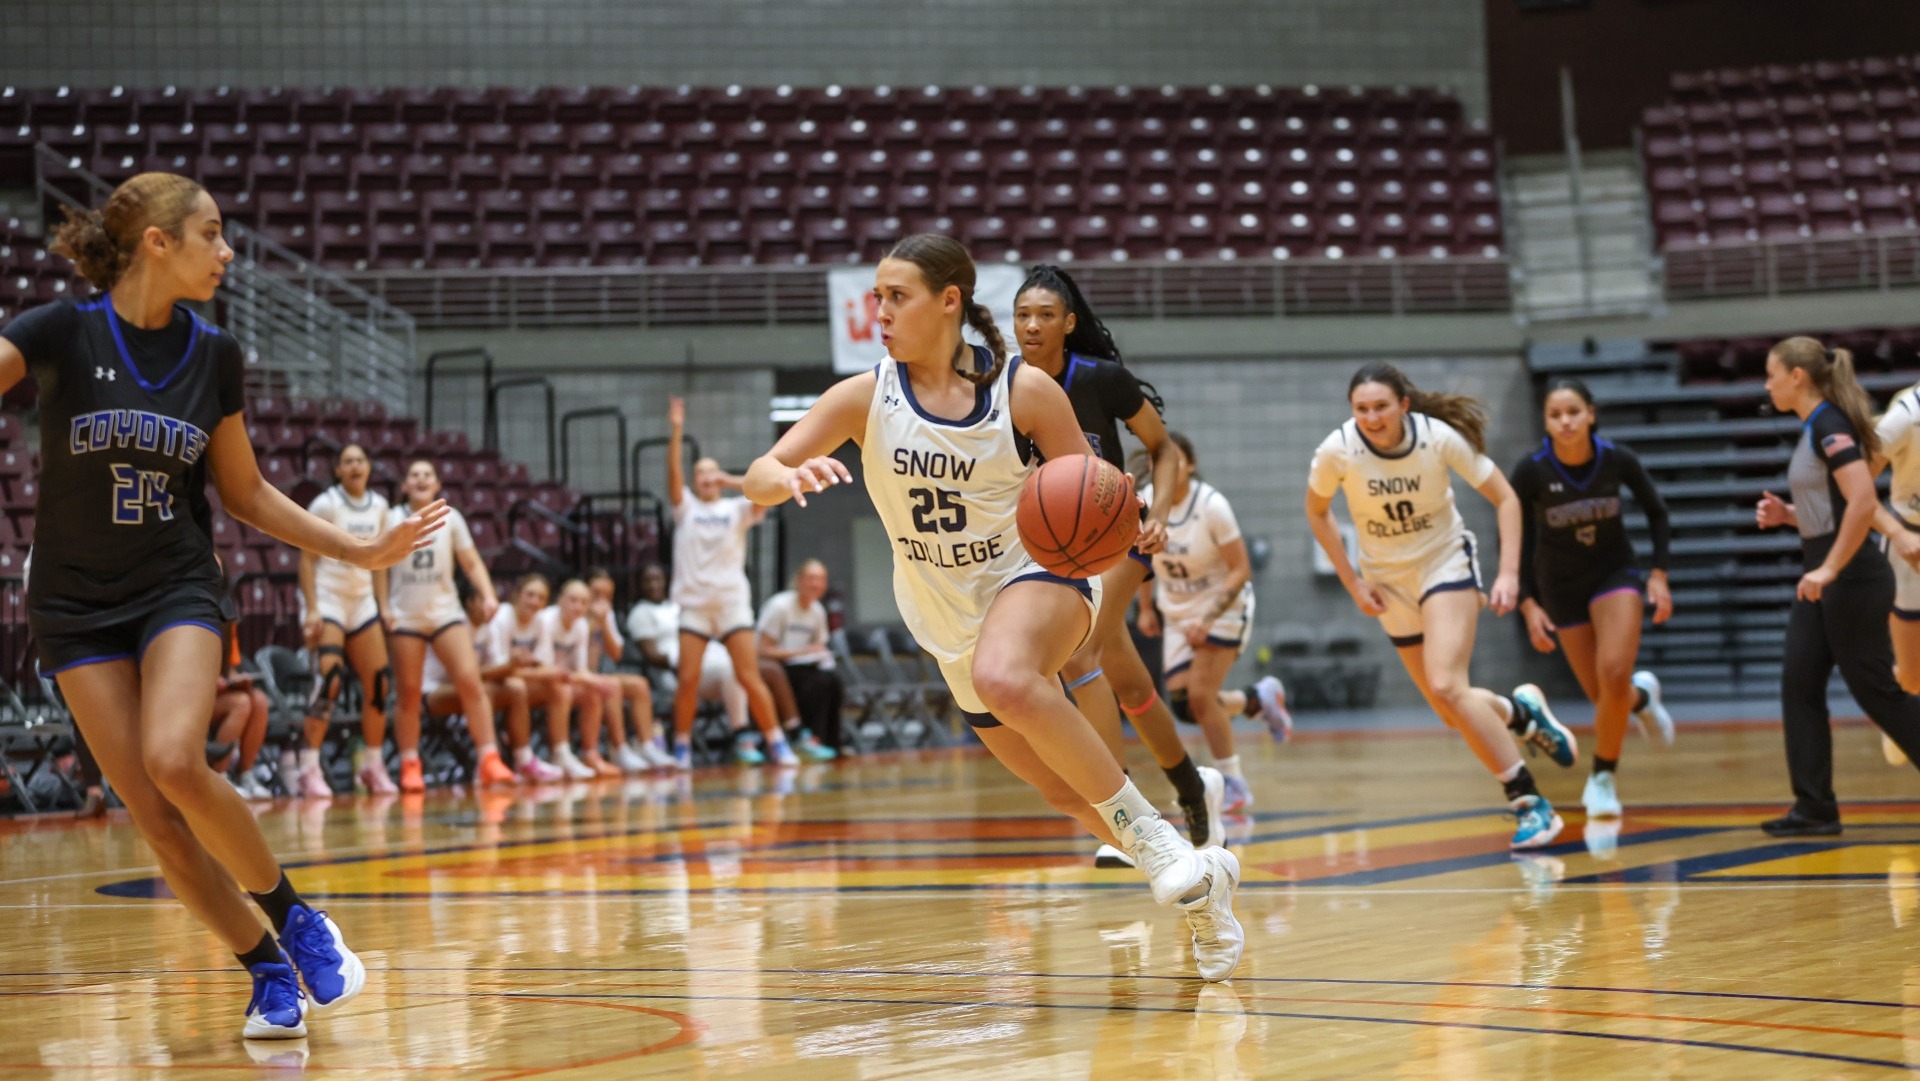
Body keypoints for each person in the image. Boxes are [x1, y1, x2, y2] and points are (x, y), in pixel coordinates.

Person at [0, 171, 446, 1038]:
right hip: (71, 602)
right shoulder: (59, 331)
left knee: (174, 758)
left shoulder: (215, 353)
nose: (228, 251)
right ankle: (263, 966)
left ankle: (296, 917)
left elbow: (242, 493)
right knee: (157, 820)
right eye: (211, 234)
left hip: (175, 584)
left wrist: (358, 547)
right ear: (157, 243)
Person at [741, 234, 1241, 981]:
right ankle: (1206, 883)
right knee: (1059, 787)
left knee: (1007, 673)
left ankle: (1165, 847)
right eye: (876, 296)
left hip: (1040, 573)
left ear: (950, 302)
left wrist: (1122, 515)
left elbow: (1090, 486)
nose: (879, 311)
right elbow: (759, 471)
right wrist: (782, 477)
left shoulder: (1024, 392)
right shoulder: (862, 396)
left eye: (896, 296)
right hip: (944, 614)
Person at [1012, 264, 1287, 859]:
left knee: (1077, 656)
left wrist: (1157, 513)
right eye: (1022, 315)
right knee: (1132, 687)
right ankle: (1196, 786)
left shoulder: (1101, 379)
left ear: (1069, 323)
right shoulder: (1005, 389)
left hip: (1119, 529)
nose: (1031, 326)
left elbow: (1161, 449)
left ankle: (1126, 817)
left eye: (1045, 315)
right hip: (1055, 545)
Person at [1305, 363, 1577, 850]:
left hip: (1443, 564)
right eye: (1361, 409)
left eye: (1381, 406)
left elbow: (1507, 498)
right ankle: (1521, 713)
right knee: (1453, 709)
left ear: (1404, 404)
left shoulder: (1438, 438)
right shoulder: (1337, 451)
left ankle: (1530, 803)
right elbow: (1316, 511)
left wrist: (1510, 573)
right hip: (1388, 582)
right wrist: (1352, 581)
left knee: (1447, 684)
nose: (1371, 417)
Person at [1752, 336, 1920, 836]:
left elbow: (1864, 500)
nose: (1767, 384)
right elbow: (1832, 508)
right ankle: (1815, 808)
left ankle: (1815, 805)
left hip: (1850, 577)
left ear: (1797, 377)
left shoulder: (1829, 425)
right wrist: (1788, 516)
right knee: (1798, 684)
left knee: (1878, 693)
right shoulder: (1814, 428)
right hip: (1826, 573)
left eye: (1771, 374)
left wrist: (1828, 570)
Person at [1510, 377, 1677, 823]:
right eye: (1555, 415)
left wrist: (1658, 575)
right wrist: (1528, 603)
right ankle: (1642, 699)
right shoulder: (1531, 471)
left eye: (1573, 412)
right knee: (1607, 696)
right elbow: (1516, 539)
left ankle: (1602, 778)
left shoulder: (1616, 460)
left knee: (1614, 670)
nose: (1565, 422)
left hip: (1614, 574)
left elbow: (1658, 513)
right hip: (1560, 586)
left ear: (1591, 414)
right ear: (1545, 420)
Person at [1133, 433, 1268, 813]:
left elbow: (1241, 569)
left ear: (1189, 464)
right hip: (1176, 610)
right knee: (1183, 704)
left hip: (1222, 607)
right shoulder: (1144, 501)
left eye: (1176, 459)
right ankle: (1256, 699)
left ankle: (1234, 783)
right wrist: (1145, 608)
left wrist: (1207, 619)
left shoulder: (1212, 506)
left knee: (1200, 696)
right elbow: (1140, 560)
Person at [666, 396, 798, 769]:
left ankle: (777, 743)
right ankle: (681, 747)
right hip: (694, 603)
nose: (706, 478)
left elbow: (767, 492)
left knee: (748, 674)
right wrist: (676, 430)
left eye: (712, 472)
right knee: (688, 679)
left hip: (730, 603)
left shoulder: (735, 508)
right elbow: (673, 477)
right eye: (701, 474)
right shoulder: (686, 508)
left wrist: (731, 481)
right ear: (695, 481)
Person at [383, 459, 515, 791]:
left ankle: (489, 758)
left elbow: (470, 561)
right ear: (404, 486)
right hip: (406, 615)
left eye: (427, 474)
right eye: (414, 474)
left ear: (438, 484)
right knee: (409, 694)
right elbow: (377, 567)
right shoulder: (392, 517)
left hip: (445, 613)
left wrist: (487, 594)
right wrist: (383, 606)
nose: (421, 479)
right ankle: (410, 763)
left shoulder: (451, 518)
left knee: (471, 682)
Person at [294, 443, 395, 797]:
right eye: (347, 461)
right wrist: (311, 608)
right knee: (330, 680)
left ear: (369, 467)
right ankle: (307, 766)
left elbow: (381, 561)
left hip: (362, 600)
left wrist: (383, 607)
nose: (355, 465)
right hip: (329, 598)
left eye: (360, 459)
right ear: (337, 470)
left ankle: (372, 764)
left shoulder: (381, 507)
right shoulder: (326, 504)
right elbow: (306, 560)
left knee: (379, 684)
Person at [423, 588, 566, 783]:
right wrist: (510, 666)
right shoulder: (453, 626)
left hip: (469, 691)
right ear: (470, 602)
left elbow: (495, 670)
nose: (493, 607)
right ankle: (485, 762)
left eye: (494, 601)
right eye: (486, 602)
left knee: (515, 688)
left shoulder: (488, 627)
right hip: (434, 692)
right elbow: (466, 677)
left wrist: (513, 666)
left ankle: (523, 760)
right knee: (483, 691)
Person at [625, 562, 756, 758]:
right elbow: (651, 655)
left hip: (711, 662)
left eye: (657, 579)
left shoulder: (678, 606)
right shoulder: (640, 613)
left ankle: (747, 734)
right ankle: (740, 735)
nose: (653, 585)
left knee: (741, 668)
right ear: (639, 584)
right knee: (730, 670)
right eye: (647, 580)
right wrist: (685, 661)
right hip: (676, 673)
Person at [475, 576, 576, 782]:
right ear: (516, 595)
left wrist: (548, 672)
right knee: (517, 686)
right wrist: (547, 672)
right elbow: (500, 670)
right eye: (530, 595)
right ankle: (517, 758)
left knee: (559, 688)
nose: (535, 602)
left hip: (510, 682)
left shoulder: (539, 621)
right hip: (489, 681)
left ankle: (561, 753)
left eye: (541, 597)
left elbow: (543, 664)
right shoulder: (501, 617)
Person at [1871, 379, 1920, 768]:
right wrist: (1896, 532)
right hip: (1912, 548)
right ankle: (1897, 715)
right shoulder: (1905, 415)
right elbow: (1852, 486)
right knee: (1913, 676)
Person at [584, 568, 673, 770]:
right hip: (576, 676)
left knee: (639, 685)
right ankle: (620, 749)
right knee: (612, 685)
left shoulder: (607, 615)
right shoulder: (575, 611)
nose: (602, 600)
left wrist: (604, 623)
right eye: (596, 594)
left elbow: (616, 654)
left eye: (607, 595)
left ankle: (647, 746)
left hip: (600, 676)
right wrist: (593, 622)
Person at [755, 559, 843, 761]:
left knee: (832, 681)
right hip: (775, 669)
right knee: (817, 684)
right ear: (799, 581)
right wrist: (801, 652)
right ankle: (803, 738)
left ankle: (830, 742)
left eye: (821, 579)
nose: (816, 584)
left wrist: (818, 655)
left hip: (802, 667)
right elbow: (762, 650)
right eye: (811, 578)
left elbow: (818, 647)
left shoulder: (818, 611)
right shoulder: (780, 606)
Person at [539, 578, 623, 777]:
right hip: (540, 680)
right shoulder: (546, 620)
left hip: (563, 680)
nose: (578, 606)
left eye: (584, 602)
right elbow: (548, 670)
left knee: (592, 692)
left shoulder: (581, 626)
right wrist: (592, 679)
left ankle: (591, 754)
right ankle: (559, 753)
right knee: (565, 689)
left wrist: (594, 681)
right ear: (559, 600)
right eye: (573, 600)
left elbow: (581, 670)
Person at [212, 625, 272, 801]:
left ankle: (245, 774)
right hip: (190, 700)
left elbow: (229, 668)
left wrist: (237, 680)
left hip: (216, 695)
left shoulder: (228, 624)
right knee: (241, 703)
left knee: (259, 700)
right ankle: (219, 775)